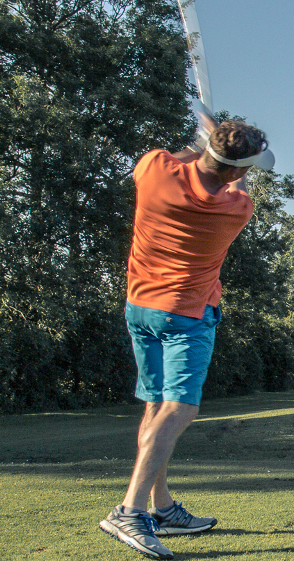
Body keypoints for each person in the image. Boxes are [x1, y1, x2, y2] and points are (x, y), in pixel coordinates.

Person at [98, 114, 271, 560]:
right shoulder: (235, 209)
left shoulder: (154, 169)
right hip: (187, 316)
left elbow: (185, 159)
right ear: (239, 171)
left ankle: (162, 508)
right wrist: (219, 151)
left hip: (140, 307)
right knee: (179, 409)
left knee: (156, 407)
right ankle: (130, 511)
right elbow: (235, 184)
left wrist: (203, 140)